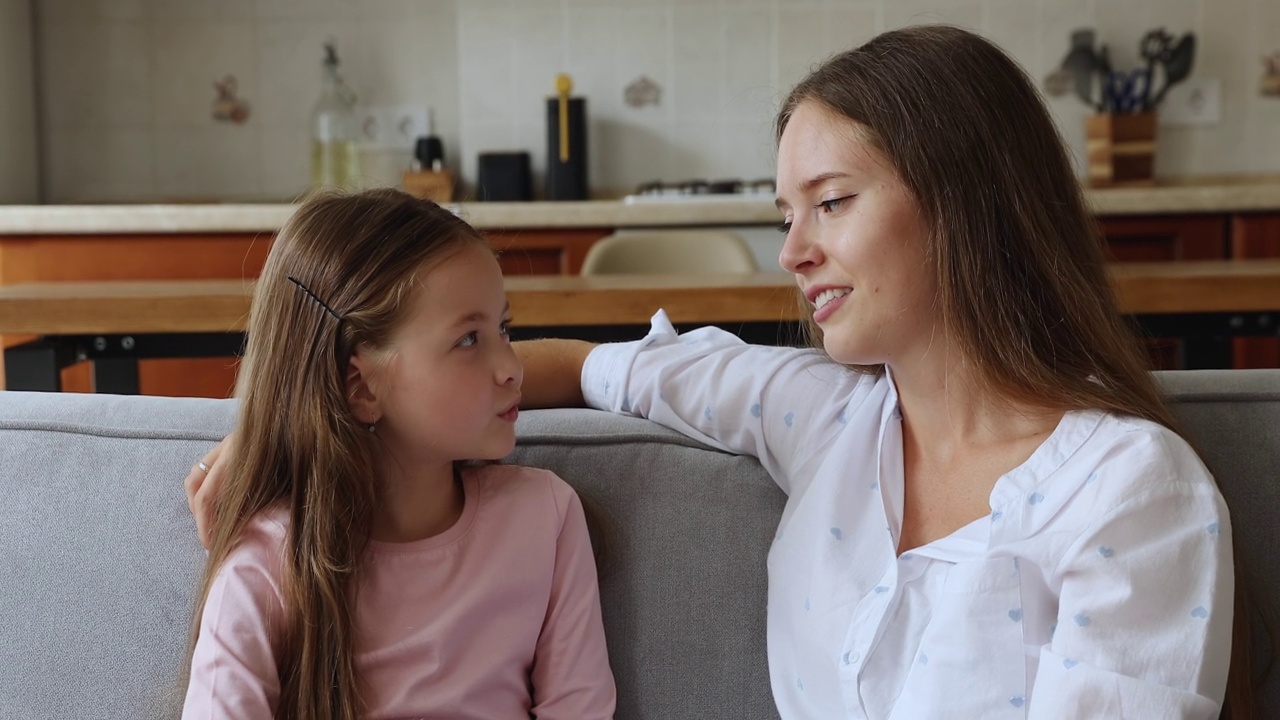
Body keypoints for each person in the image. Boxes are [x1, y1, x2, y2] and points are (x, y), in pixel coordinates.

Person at [189, 26, 1256, 718]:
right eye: (783, 216)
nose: (790, 254)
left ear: (967, 200)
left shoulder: (1128, 488)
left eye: (829, 203)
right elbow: (593, 370)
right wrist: (301, 419)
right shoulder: (816, 416)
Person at [180, 188, 615, 719]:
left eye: (503, 328)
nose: (512, 367)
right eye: (469, 340)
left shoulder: (544, 517)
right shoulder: (268, 562)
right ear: (361, 387)